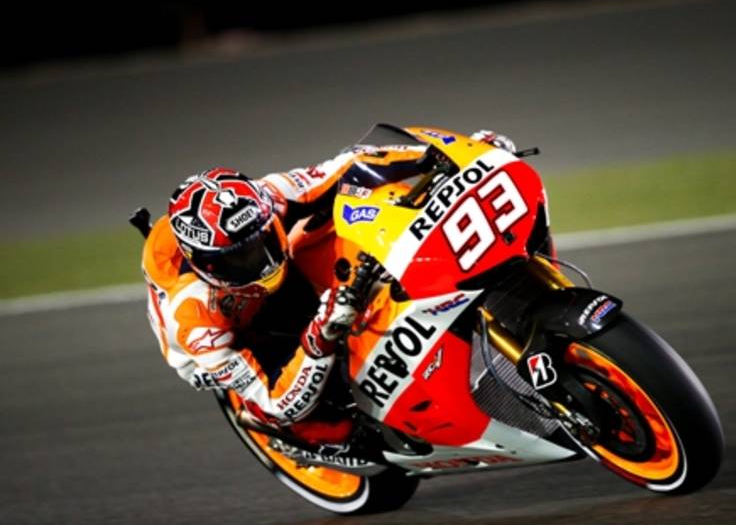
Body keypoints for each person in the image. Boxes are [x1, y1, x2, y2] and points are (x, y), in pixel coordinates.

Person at [141, 128, 516, 448]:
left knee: (340, 220)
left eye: (264, 240)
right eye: (241, 259)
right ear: (206, 264)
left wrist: (455, 157)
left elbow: (350, 164)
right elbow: (278, 401)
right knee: (317, 420)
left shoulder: (269, 195)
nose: (261, 262)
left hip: (280, 274)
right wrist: (318, 339)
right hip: (239, 332)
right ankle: (334, 437)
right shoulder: (194, 320)